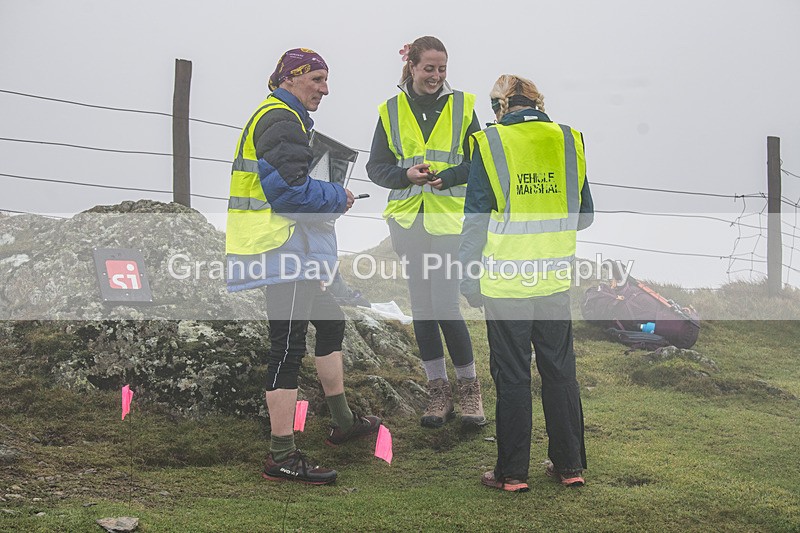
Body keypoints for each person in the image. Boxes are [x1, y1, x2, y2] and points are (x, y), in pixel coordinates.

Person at [226, 48, 380, 485]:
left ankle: (343, 422)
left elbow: (290, 184)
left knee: (330, 325)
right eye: (316, 79)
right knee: (287, 349)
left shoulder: (285, 119)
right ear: (291, 78)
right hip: (282, 252)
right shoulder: (279, 120)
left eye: (325, 80)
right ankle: (281, 454)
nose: (325, 89)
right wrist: (338, 197)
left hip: (296, 253)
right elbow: (290, 193)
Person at [460, 75, 595, 492]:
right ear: (538, 102)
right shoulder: (570, 140)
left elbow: (477, 220)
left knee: (513, 375)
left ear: (501, 106)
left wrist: (468, 277)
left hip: (505, 282)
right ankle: (569, 465)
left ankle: (512, 473)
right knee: (559, 372)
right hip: (553, 279)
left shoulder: (491, 142)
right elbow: (585, 215)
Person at [366, 36, 486, 428]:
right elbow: (376, 168)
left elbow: (479, 164)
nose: (435, 76)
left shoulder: (464, 107)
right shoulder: (389, 110)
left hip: (450, 221)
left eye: (442, 69)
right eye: (428, 68)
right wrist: (405, 176)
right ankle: (438, 392)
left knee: (445, 305)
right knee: (422, 308)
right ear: (412, 67)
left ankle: (469, 391)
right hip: (407, 221)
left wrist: (447, 176)